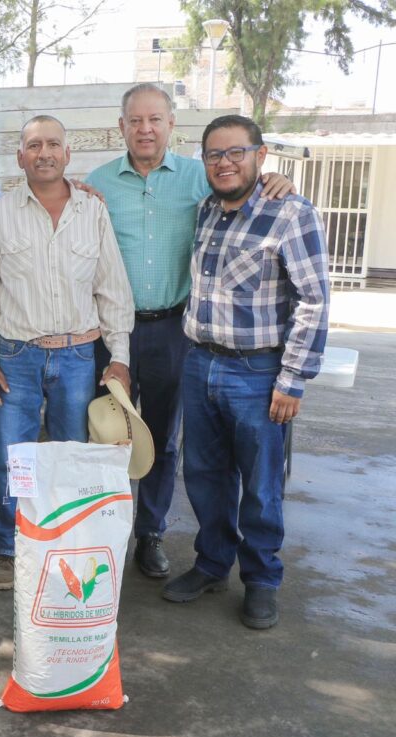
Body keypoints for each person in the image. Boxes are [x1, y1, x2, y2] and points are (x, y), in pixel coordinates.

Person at [85, 84, 295, 579]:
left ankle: (150, 534)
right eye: (136, 120)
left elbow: (243, 188)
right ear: (121, 127)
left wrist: (275, 179)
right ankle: (100, 533)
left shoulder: (200, 178)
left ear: (171, 124)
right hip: (110, 331)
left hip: (174, 330)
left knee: (163, 438)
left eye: (155, 119)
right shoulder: (97, 183)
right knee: (106, 435)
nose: (145, 129)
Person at [162, 115, 329, 630]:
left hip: (258, 372)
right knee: (205, 475)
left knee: (260, 484)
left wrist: (293, 378)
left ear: (260, 155)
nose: (225, 162)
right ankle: (212, 564)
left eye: (236, 152)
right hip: (199, 362)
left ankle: (261, 579)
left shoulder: (291, 214)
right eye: (215, 154)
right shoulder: (206, 212)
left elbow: (313, 300)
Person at [0, 115, 134, 590]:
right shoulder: (0, 214)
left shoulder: (92, 211)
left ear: (67, 154)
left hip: (78, 357)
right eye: (34, 145)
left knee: (71, 456)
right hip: (15, 357)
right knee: (12, 459)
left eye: (53, 144)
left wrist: (119, 355)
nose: (44, 153)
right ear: (21, 156)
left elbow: (113, 289)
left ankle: (65, 545)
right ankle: (10, 548)